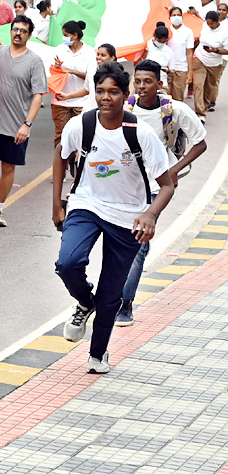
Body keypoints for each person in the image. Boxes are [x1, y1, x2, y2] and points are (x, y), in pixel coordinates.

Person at [54, 63, 175, 374]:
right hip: (86, 204)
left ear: (125, 94)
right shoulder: (81, 125)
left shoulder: (140, 133)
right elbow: (60, 153)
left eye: (113, 92)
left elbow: (167, 184)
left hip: (128, 216)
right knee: (68, 262)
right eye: (100, 91)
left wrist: (150, 213)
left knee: (111, 294)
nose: (105, 98)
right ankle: (83, 301)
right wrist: (57, 203)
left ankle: (98, 353)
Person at [114, 60, 208, 327]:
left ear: (159, 84)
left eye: (148, 82)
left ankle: (125, 303)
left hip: (156, 187)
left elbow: (200, 143)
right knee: (119, 240)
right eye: (138, 81)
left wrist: (174, 170)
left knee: (139, 244)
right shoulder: (125, 107)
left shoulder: (174, 110)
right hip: (123, 185)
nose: (142, 87)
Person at [0, 17, 47, 228]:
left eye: (23, 31)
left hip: (17, 127)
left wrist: (27, 124)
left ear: (29, 35)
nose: (18, 33)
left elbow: (38, 96)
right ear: (10, 31)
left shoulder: (34, 61)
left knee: (8, 168)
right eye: (15, 29)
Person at [52, 20, 97, 148]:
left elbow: (90, 77)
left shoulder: (89, 52)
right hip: (60, 101)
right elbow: (53, 73)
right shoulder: (60, 50)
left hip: (82, 101)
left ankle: (77, 166)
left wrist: (73, 72)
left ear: (75, 35)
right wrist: (57, 68)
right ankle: (61, 166)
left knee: (81, 136)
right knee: (61, 136)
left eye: (66, 35)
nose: (64, 38)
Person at [191, 9, 228, 119]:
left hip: (214, 62)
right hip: (200, 58)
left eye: (212, 23)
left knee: (210, 87)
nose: (209, 25)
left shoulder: (224, 33)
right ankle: (200, 112)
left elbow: (227, 50)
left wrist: (215, 51)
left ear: (217, 22)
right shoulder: (205, 26)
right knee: (198, 85)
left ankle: (206, 105)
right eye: (208, 23)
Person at [166, 6, 195, 100]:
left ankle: (177, 115)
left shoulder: (188, 32)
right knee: (166, 98)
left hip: (181, 68)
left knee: (178, 98)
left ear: (182, 17)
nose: (176, 17)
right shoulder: (166, 31)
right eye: (174, 15)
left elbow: (189, 53)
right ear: (169, 17)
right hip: (166, 69)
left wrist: (190, 73)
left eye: (178, 15)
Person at [144, 24, 175, 89]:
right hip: (146, 83)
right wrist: (144, 55)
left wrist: (167, 71)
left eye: (163, 41)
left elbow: (172, 70)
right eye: (159, 41)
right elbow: (137, 64)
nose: (161, 43)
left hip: (162, 83)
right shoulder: (146, 46)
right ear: (154, 36)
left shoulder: (168, 51)